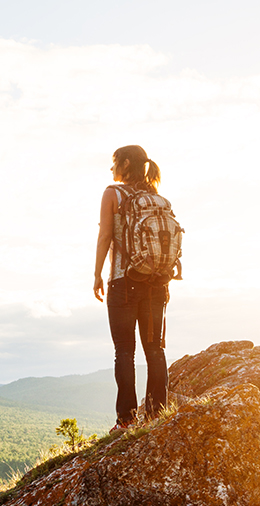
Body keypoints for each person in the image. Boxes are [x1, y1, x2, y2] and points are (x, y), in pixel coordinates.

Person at [93, 145, 168, 432]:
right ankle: (157, 415)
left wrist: (98, 274)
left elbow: (105, 236)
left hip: (124, 282)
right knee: (155, 349)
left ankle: (126, 420)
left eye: (114, 164)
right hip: (156, 283)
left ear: (125, 163)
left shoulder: (113, 194)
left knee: (125, 351)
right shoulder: (156, 197)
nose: (111, 170)